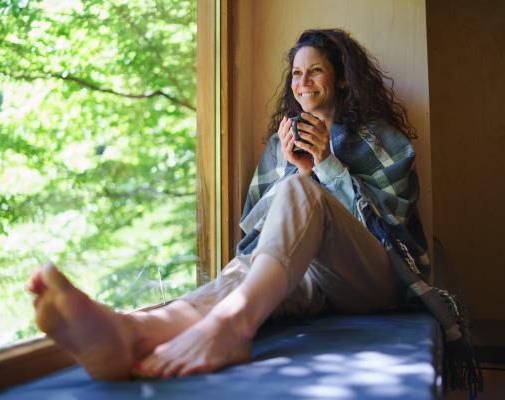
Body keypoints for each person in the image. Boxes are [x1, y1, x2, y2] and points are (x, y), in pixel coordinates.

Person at [28, 29, 471, 388]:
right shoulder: (279, 147)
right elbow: (257, 234)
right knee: (244, 270)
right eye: (296, 73)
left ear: (341, 79)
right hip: (314, 281)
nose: (303, 82)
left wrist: (327, 168)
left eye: (315, 71)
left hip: (374, 282)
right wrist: (295, 171)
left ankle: (233, 327)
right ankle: (130, 335)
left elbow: (392, 233)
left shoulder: (383, 141)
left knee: (300, 194)